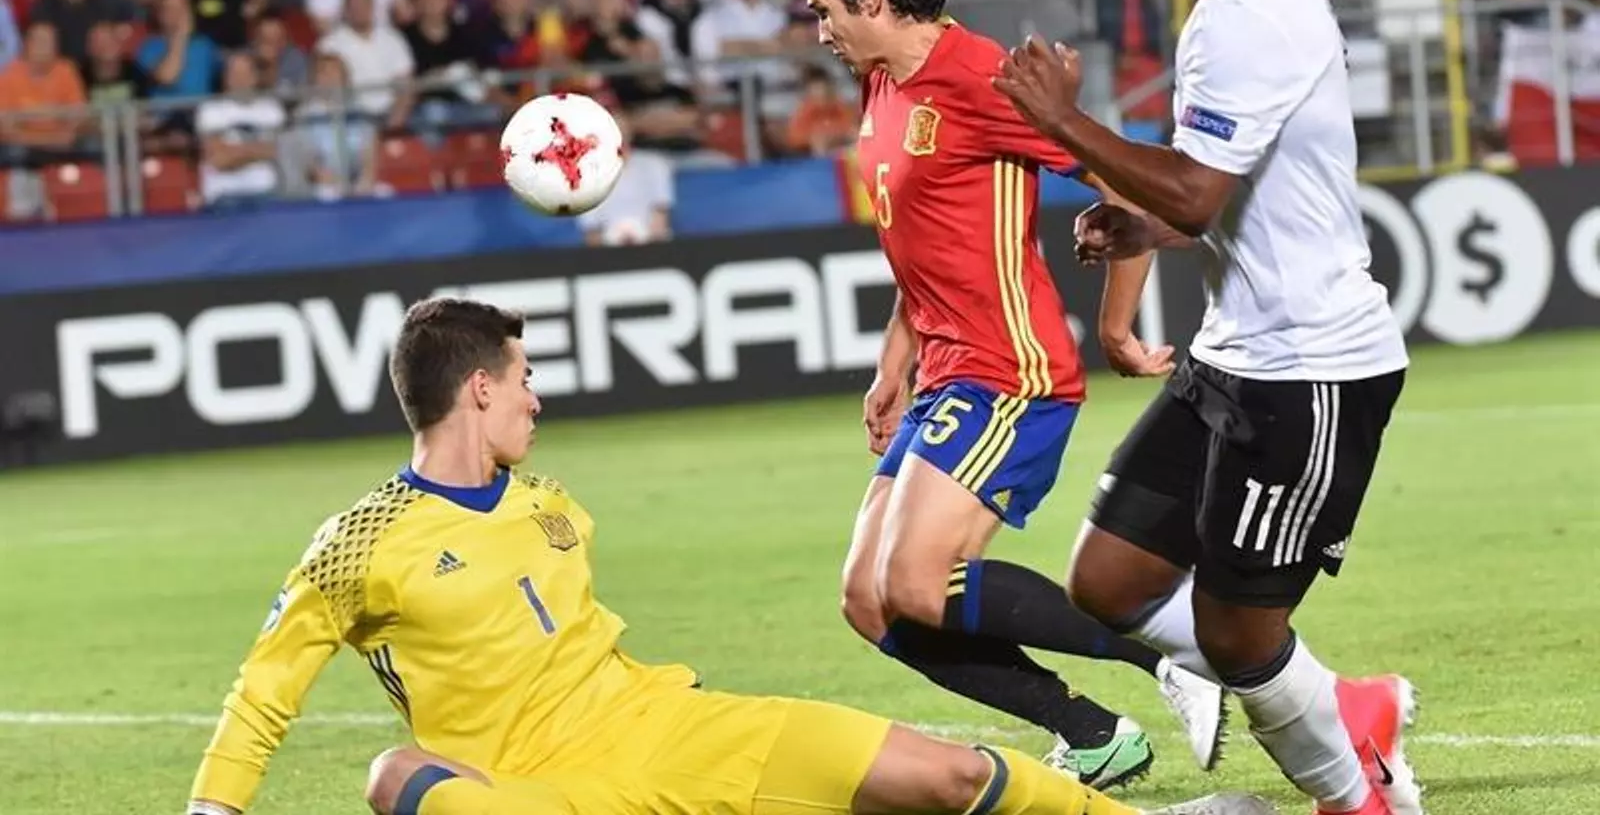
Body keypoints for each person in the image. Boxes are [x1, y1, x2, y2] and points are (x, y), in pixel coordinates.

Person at [181, 297, 1277, 815]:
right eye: (523, 380)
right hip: (539, 792)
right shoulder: (358, 544)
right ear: (477, 388)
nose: (536, 399)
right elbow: (261, 695)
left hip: (673, 727)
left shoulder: (554, 507)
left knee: (946, 775)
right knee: (393, 779)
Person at [992, 0, 1423, 814]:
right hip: (1234, 354)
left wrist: (1063, 120)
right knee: (1108, 579)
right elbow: (1217, 191)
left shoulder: (1254, 11)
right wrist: (1147, 226)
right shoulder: (1236, 0)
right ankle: (1347, 705)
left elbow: (1194, 191)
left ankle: (1360, 797)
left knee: (1237, 636)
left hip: (1308, 368)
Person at [788, 0, 1225, 790]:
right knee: (869, 602)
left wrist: (1115, 330)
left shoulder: (984, 79)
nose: (821, 30)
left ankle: (1174, 648)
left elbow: (1132, 189)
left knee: (917, 583)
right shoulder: (881, 83)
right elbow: (926, 241)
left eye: (825, 10)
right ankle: (1093, 734)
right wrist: (893, 360)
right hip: (944, 374)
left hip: (1010, 374)